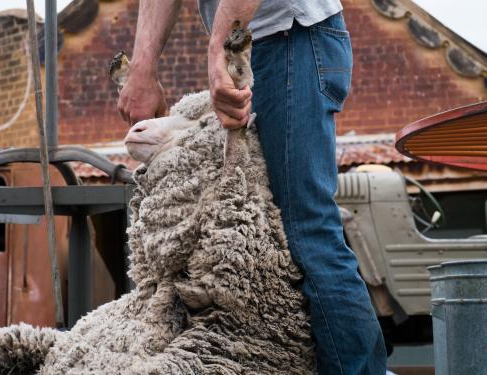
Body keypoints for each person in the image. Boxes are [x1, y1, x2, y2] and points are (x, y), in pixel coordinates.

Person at [117, 1, 387, 373]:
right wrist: (142, 69)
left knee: (305, 229)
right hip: (248, 42)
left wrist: (220, 50)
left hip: (293, 39)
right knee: (269, 234)